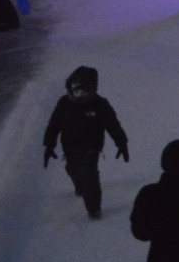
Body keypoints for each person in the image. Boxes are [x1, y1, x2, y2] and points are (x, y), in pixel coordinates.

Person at [43, 65, 129, 220]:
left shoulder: (100, 105)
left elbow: (113, 125)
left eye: (83, 91)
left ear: (92, 89)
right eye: (76, 91)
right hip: (70, 147)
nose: (79, 95)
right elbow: (53, 125)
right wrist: (49, 145)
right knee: (73, 170)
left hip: (91, 147)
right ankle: (80, 186)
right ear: (70, 89)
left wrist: (121, 142)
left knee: (89, 175)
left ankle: (94, 209)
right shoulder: (64, 103)